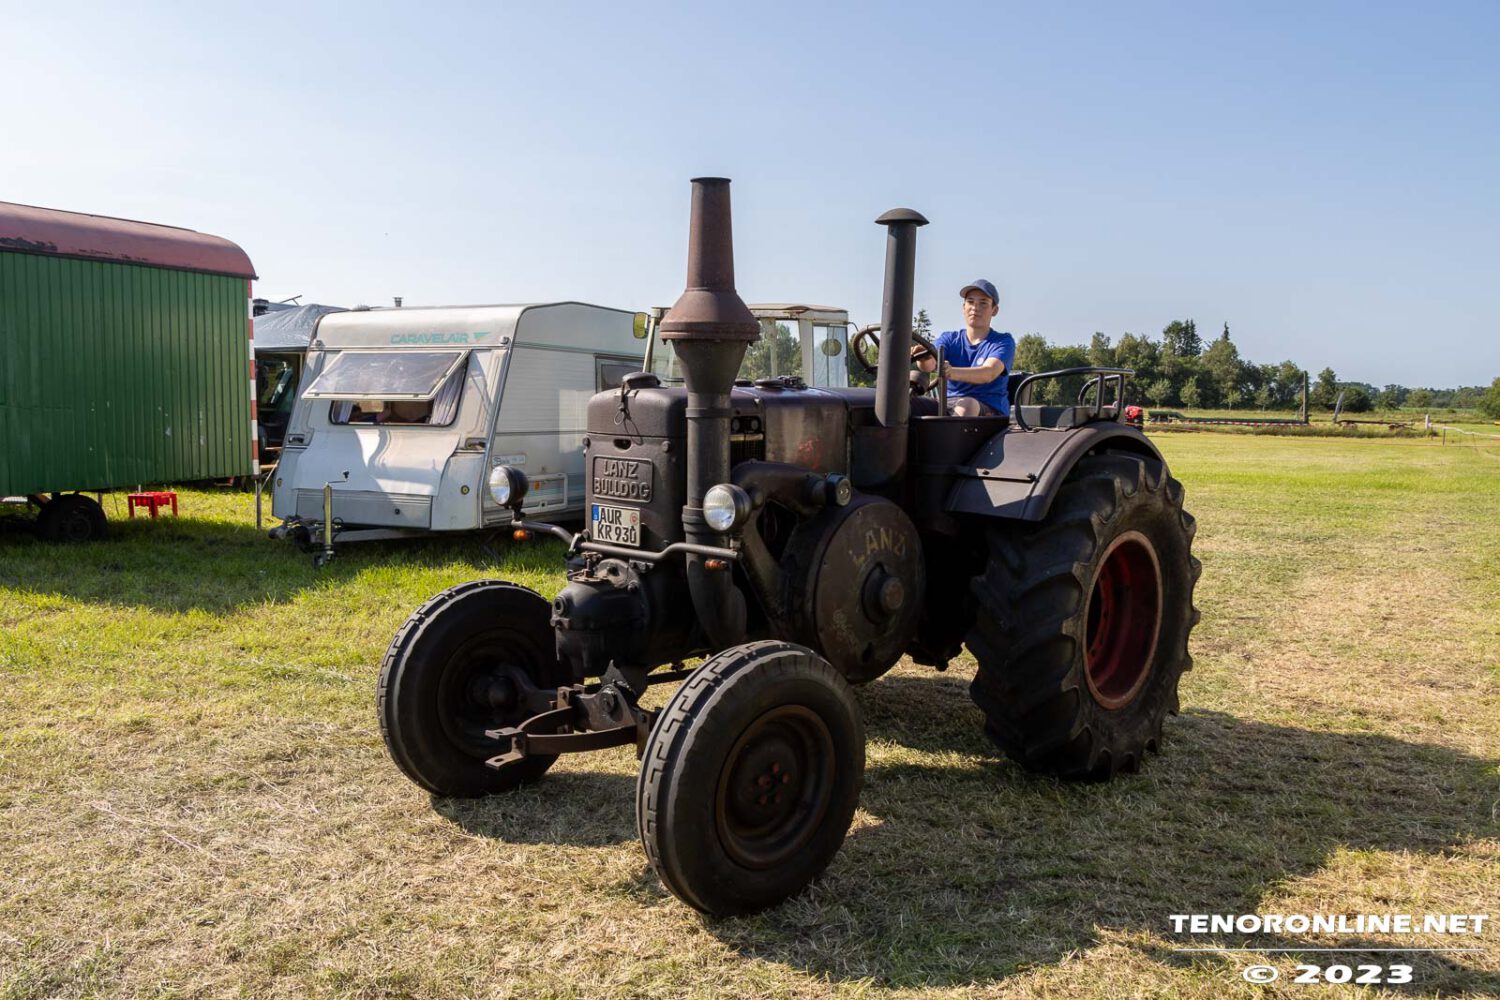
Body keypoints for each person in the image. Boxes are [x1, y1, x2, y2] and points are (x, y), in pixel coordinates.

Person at [914, 279, 1016, 416]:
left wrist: (950, 372)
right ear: (964, 307)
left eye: (983, 303)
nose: (975, 307)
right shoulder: (949, 339)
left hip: (988, 409)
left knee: (966, 406)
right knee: (904, 402)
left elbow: (988, 373)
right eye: (970, 302)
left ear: (994, 310)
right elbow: (930, 364)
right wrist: (923, 356)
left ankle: (949, 437)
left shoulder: (1002, 342)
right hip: (948, 403)